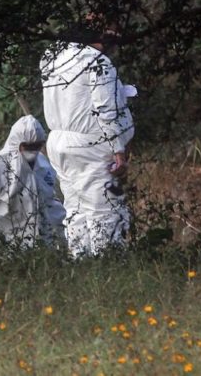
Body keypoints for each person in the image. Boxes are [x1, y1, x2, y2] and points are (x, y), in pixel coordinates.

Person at [40, 22, 136, 257]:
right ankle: (108, 261)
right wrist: (118, 149)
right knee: (103, 208)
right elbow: (106, 108)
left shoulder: (52, 59)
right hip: (91, 144)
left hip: (59, 142)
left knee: (75, 207)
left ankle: (80, 259)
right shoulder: (97, 61)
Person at [0, 115, 66, 251]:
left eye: (37, 146)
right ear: (19, 144)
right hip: (4, 247)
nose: (33, 151)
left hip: (41, 248)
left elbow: (51, 202)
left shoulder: (43, 165)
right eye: (29, 146)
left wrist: (61, 235)